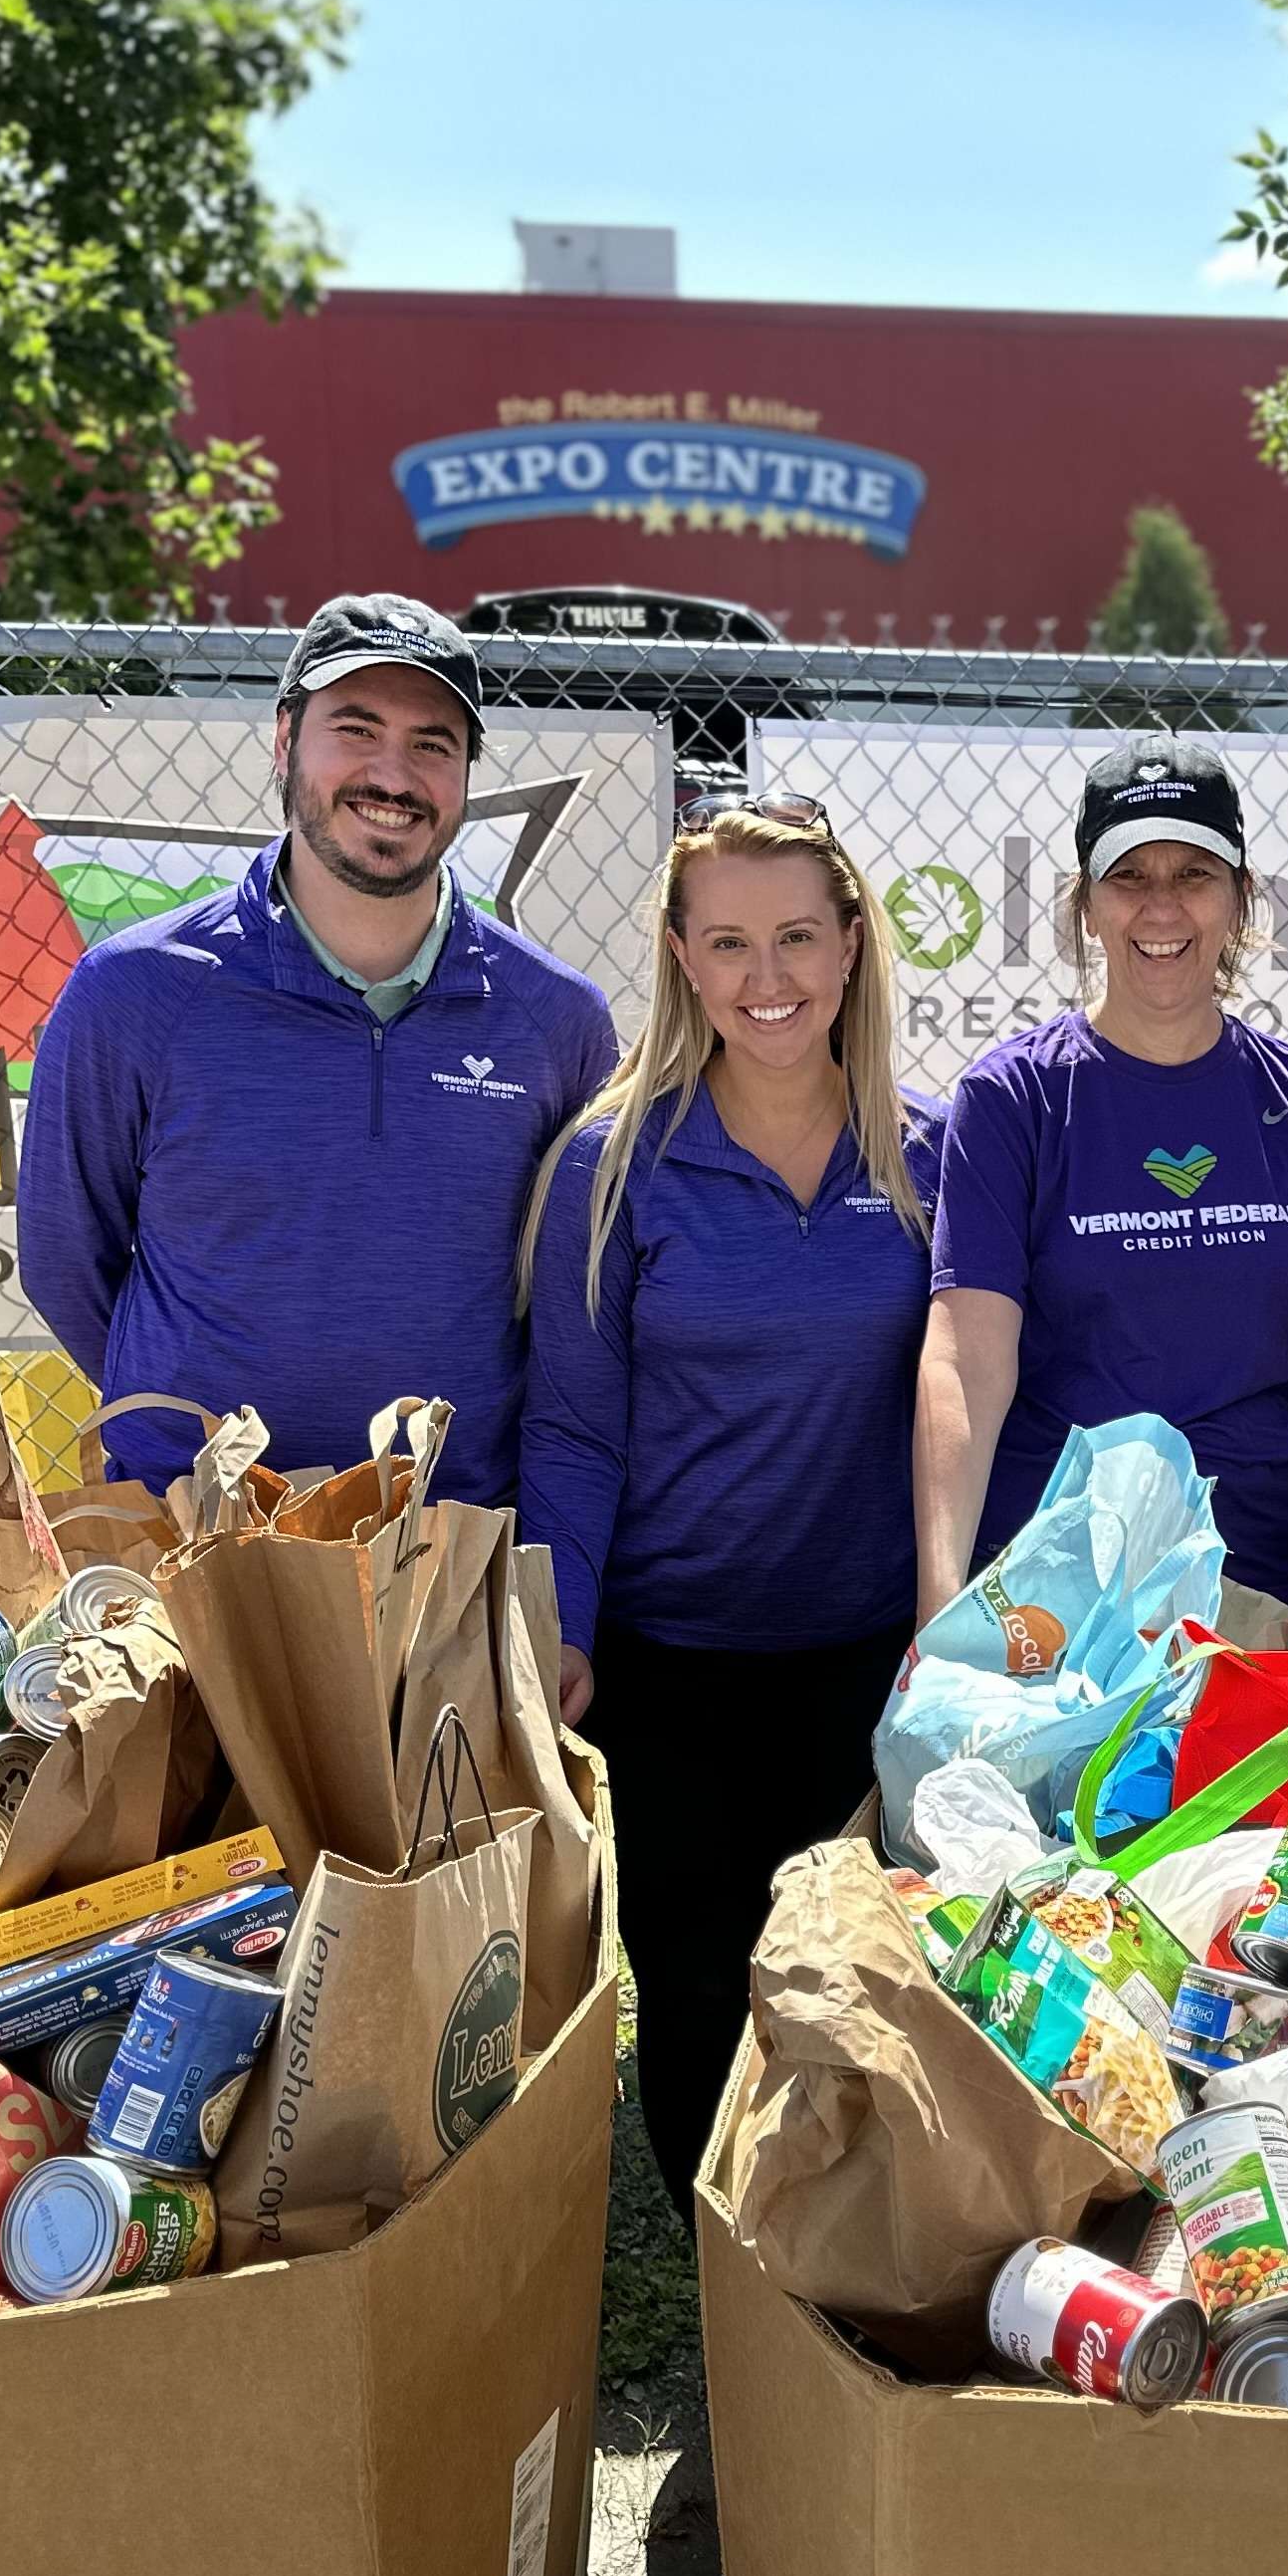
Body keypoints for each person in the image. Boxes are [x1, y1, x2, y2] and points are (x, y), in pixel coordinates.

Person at [516, 790, 937, 2218]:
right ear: (682, 958)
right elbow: (572, 1425)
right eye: (733, 943)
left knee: (856, 1968)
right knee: (694, 1978)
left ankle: (839, 2238)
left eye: (800, 939)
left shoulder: (928, 1156)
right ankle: (719, 2260)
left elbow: (967, 1411)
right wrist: (563, 1626)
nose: (771, 981)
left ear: (854, 945)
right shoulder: (614, 1160)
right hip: (673, 1655)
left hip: (868, 1654)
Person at [19, 591, 618, 1505]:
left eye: (432, 743)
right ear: (285, 737)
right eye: (357, 729)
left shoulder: (556, 1019)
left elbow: (577, 1312)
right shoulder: (135, 993)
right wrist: (185, 1422)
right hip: (190, 1535)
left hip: (450, 1539)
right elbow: (68, 1257)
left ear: (465, 774)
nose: (394, 774)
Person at [917, 740, 1288, 1638]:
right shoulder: (1013, 1099)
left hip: (1265, 1589)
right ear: (1085, 903)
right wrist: (940, 1607)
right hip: (1060, 1602)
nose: (1161, 906)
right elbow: (966, 1362)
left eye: (1193, 872)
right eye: (1128, 876)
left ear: (1239, 896)